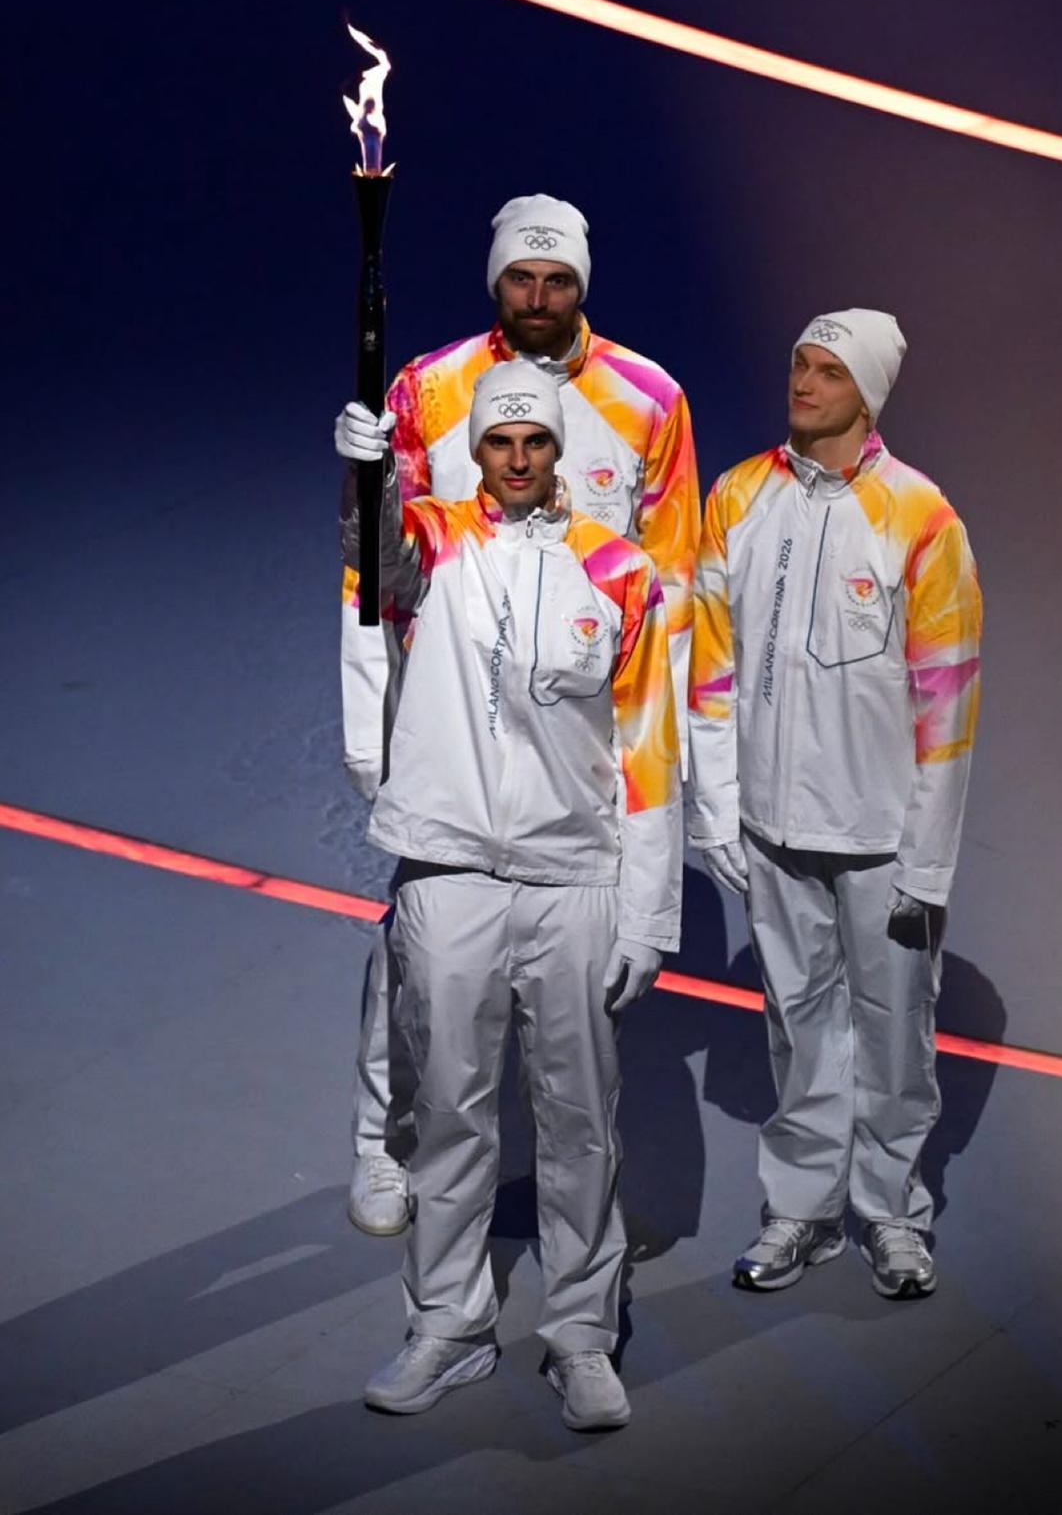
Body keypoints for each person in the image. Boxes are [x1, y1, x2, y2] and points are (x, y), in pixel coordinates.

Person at [336, 194, 700, 1236]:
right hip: (446, 706)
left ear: (583, 282)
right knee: (412, 949)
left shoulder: (648, 399)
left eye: (557, 281)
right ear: (493, 280)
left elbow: (665, 591)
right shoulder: (426, 388)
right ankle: (381, 1140)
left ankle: (551, 1199)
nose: (537, 300)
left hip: (574, 713)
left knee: (554, 981)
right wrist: (372, 723)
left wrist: (671, 760)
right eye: (517, 280)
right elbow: (373, 569)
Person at [336, 360, 682, 1428]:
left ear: (559, 451)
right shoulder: (436, 541)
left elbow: (645, 753)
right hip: (448, 874)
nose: (519, 461)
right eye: (499, 443)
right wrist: (364, 479)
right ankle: (448, 1324)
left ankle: (580, 1335)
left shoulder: (618, 570)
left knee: (580, 1124)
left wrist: (648, 908)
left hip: (573, 879)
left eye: (535, 443)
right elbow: (376, 557)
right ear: (477, 449)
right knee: (449, 1115)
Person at [687, 309, 982, 1300]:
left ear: (868, 393)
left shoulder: (921, 519)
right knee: (795, 1024)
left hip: (879, 838)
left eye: (825, 371)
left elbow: (947, 700)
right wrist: (718, 806)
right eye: (796, 365)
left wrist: (927, 855)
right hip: (771, 829)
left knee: (894, 1030)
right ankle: (801, 1211)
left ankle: (891, 1214)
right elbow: (710, 664)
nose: (801, 383)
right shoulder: (736, 496)